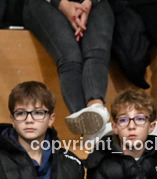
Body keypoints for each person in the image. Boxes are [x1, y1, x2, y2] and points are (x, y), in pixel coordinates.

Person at [22, 0, 113, 138]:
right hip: (45, 3)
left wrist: (88, 3)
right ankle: (88, 127)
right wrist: (62, 4)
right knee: (70, 58)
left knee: (97, 52)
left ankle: (96, 109)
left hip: (94, 3)